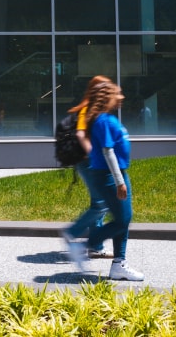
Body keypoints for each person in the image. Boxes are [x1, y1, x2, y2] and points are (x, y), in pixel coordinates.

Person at [82, 81, 144, 281]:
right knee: (123, 220)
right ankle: (87, 243)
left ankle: (119, 264)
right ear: (108, 97)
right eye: (118, 94)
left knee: (123, 220)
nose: (121, 97)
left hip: (117, 174)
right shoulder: (104, 121)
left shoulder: (107, 119)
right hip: (110, 176)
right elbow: (108, 152)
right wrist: (119, 181)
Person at [61, 75, 114, 271]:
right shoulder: (86, 110)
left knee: (98, 201)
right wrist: (92, 154)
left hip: (89, 162)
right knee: (103, 203)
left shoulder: (96, 111)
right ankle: (72, 232)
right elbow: (81, 134)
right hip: (86, 163)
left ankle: (96, 247)